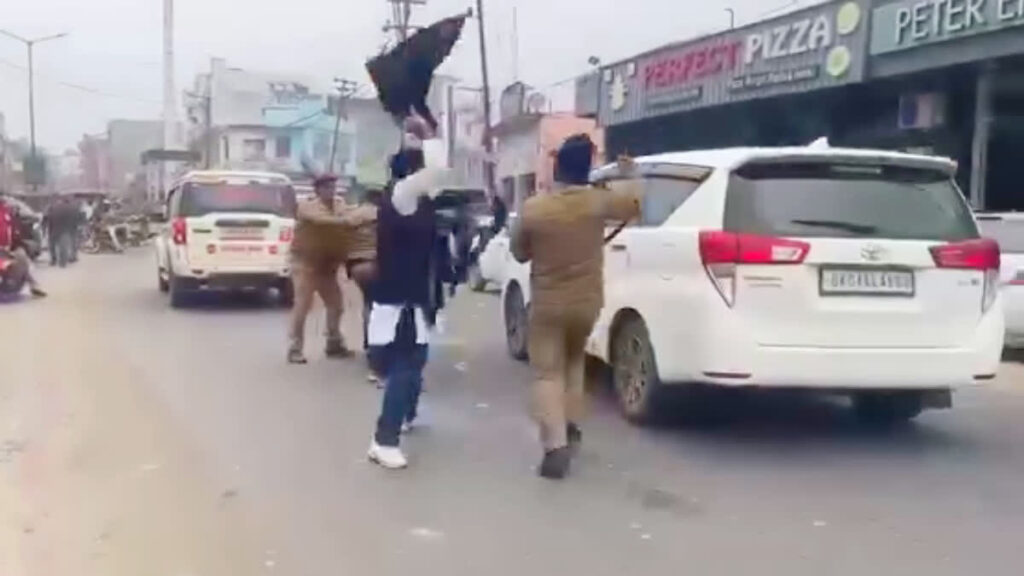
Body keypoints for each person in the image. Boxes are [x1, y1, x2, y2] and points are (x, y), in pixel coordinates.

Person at [510, 134, 643, 480]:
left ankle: (555, 446)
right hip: (586, 304)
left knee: (547, 373)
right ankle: (571, 426)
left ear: (557, 168)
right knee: (573, 363)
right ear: (588, 168)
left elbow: (519, 252)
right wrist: (629, 174)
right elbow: (634, 206)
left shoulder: (535, 208)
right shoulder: (599, 202)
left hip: (547, 305)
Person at [366, 142, 462, 470]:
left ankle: (404, 415)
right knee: (405, 366)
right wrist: (430, 135)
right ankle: (384, 440)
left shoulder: (417, 202)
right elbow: (436, 171)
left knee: (414, 362)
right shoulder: (402, 197)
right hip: (399, 301)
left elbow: (438, 177)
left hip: (412, 298)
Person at [288, 174, 369, 365]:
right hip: (305, 264)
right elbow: (323, 220)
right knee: (303, 306)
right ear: (317, 190)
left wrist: (358, 215)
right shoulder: (307, 206)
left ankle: (334, 343)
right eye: (326, 187)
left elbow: (353, 214)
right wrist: (349, 220)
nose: (331, 191)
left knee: (336, 305)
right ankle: (295, 348)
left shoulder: (340, 205)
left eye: (333, 187)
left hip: (327, 265)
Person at [346, 188, 383, 385]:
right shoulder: (382, 215)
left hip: (356, 265)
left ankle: (369, 344)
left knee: (367, 303)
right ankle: (375, 348)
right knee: (377, 307)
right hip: (375, 263)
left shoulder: (352, 216)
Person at [0, 194, 46, 298]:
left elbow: (12, 232)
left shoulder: (8, 215)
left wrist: (16, 243)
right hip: (4, 248)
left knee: (22, 258)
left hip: (8, 247)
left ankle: (33, 285)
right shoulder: (5, 215)